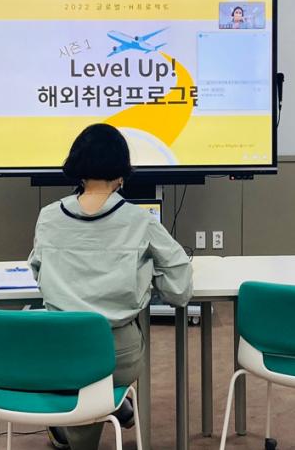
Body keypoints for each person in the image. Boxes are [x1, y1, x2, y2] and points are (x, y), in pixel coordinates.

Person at [28, 123, 193, 450]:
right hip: (118, 357)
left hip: (58, 353)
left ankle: (83, 420)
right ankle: (111, 404)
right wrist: (148, 276)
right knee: (101, 374)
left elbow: (38, 273)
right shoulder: (140, 221)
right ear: (121, 173)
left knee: (76, 379)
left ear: (77, 167)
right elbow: (180, 290)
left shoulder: (47, 217)